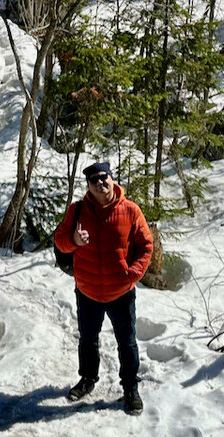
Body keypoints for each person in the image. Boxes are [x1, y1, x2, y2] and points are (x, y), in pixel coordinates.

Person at [54, 161, 153, 415]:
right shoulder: (77, 210)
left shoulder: (130, 210)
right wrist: (74, 241)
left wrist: (134, 274)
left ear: (112, 179)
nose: (101, 183)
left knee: (127, 342)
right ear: (88, 185)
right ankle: (88, 379)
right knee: (88, 339)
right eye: (95, 180)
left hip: (120, 292)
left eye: (104, 177)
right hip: (87, 292)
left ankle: (130, 387)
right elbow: (60, 241)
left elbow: (146, 246)